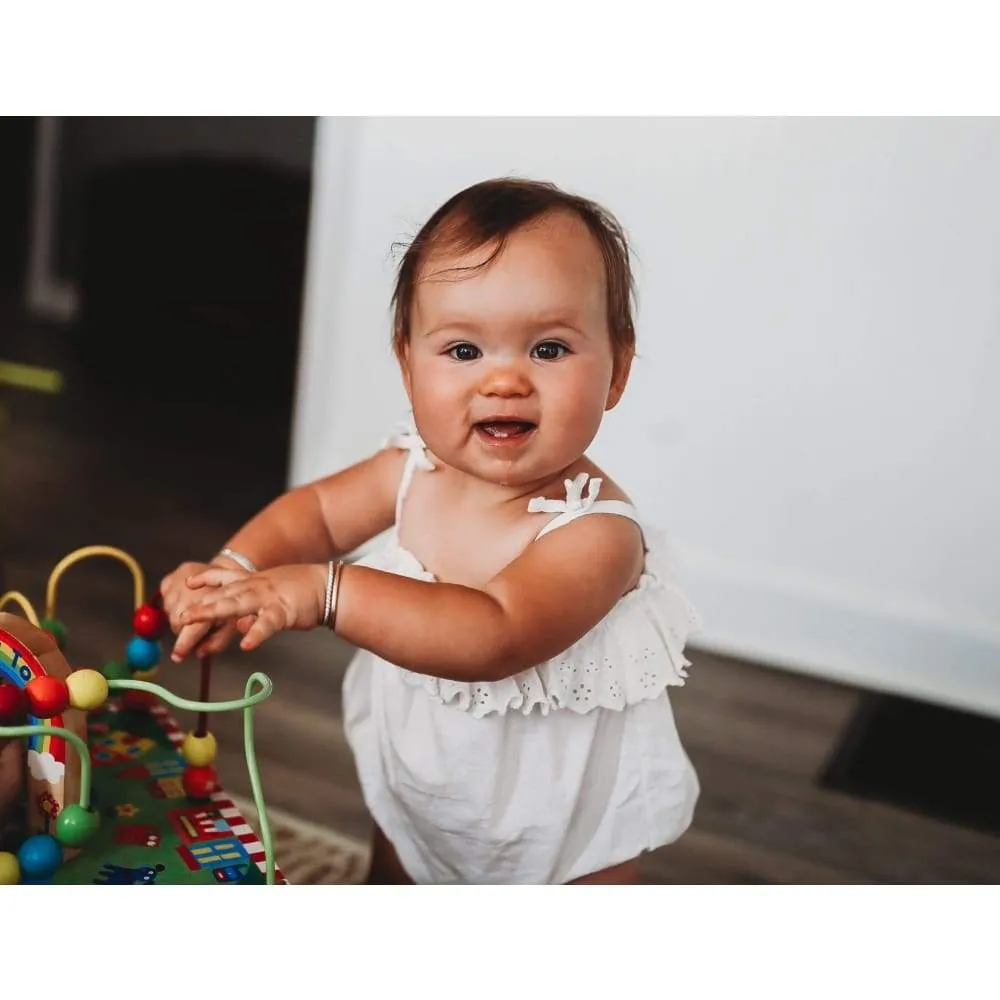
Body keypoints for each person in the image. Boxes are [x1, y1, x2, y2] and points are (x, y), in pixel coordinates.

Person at [160, 177, 703, 885]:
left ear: (617, 372)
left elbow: (493, 633)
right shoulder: (414, 467)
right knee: (396, 870)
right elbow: (318, 514)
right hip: (420, 776)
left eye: (547, 350)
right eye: (463, 351)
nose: (504, 380)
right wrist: (236, 566)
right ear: (407, 362)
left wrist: (326, 593)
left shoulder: (596, 532)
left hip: (560, 820)